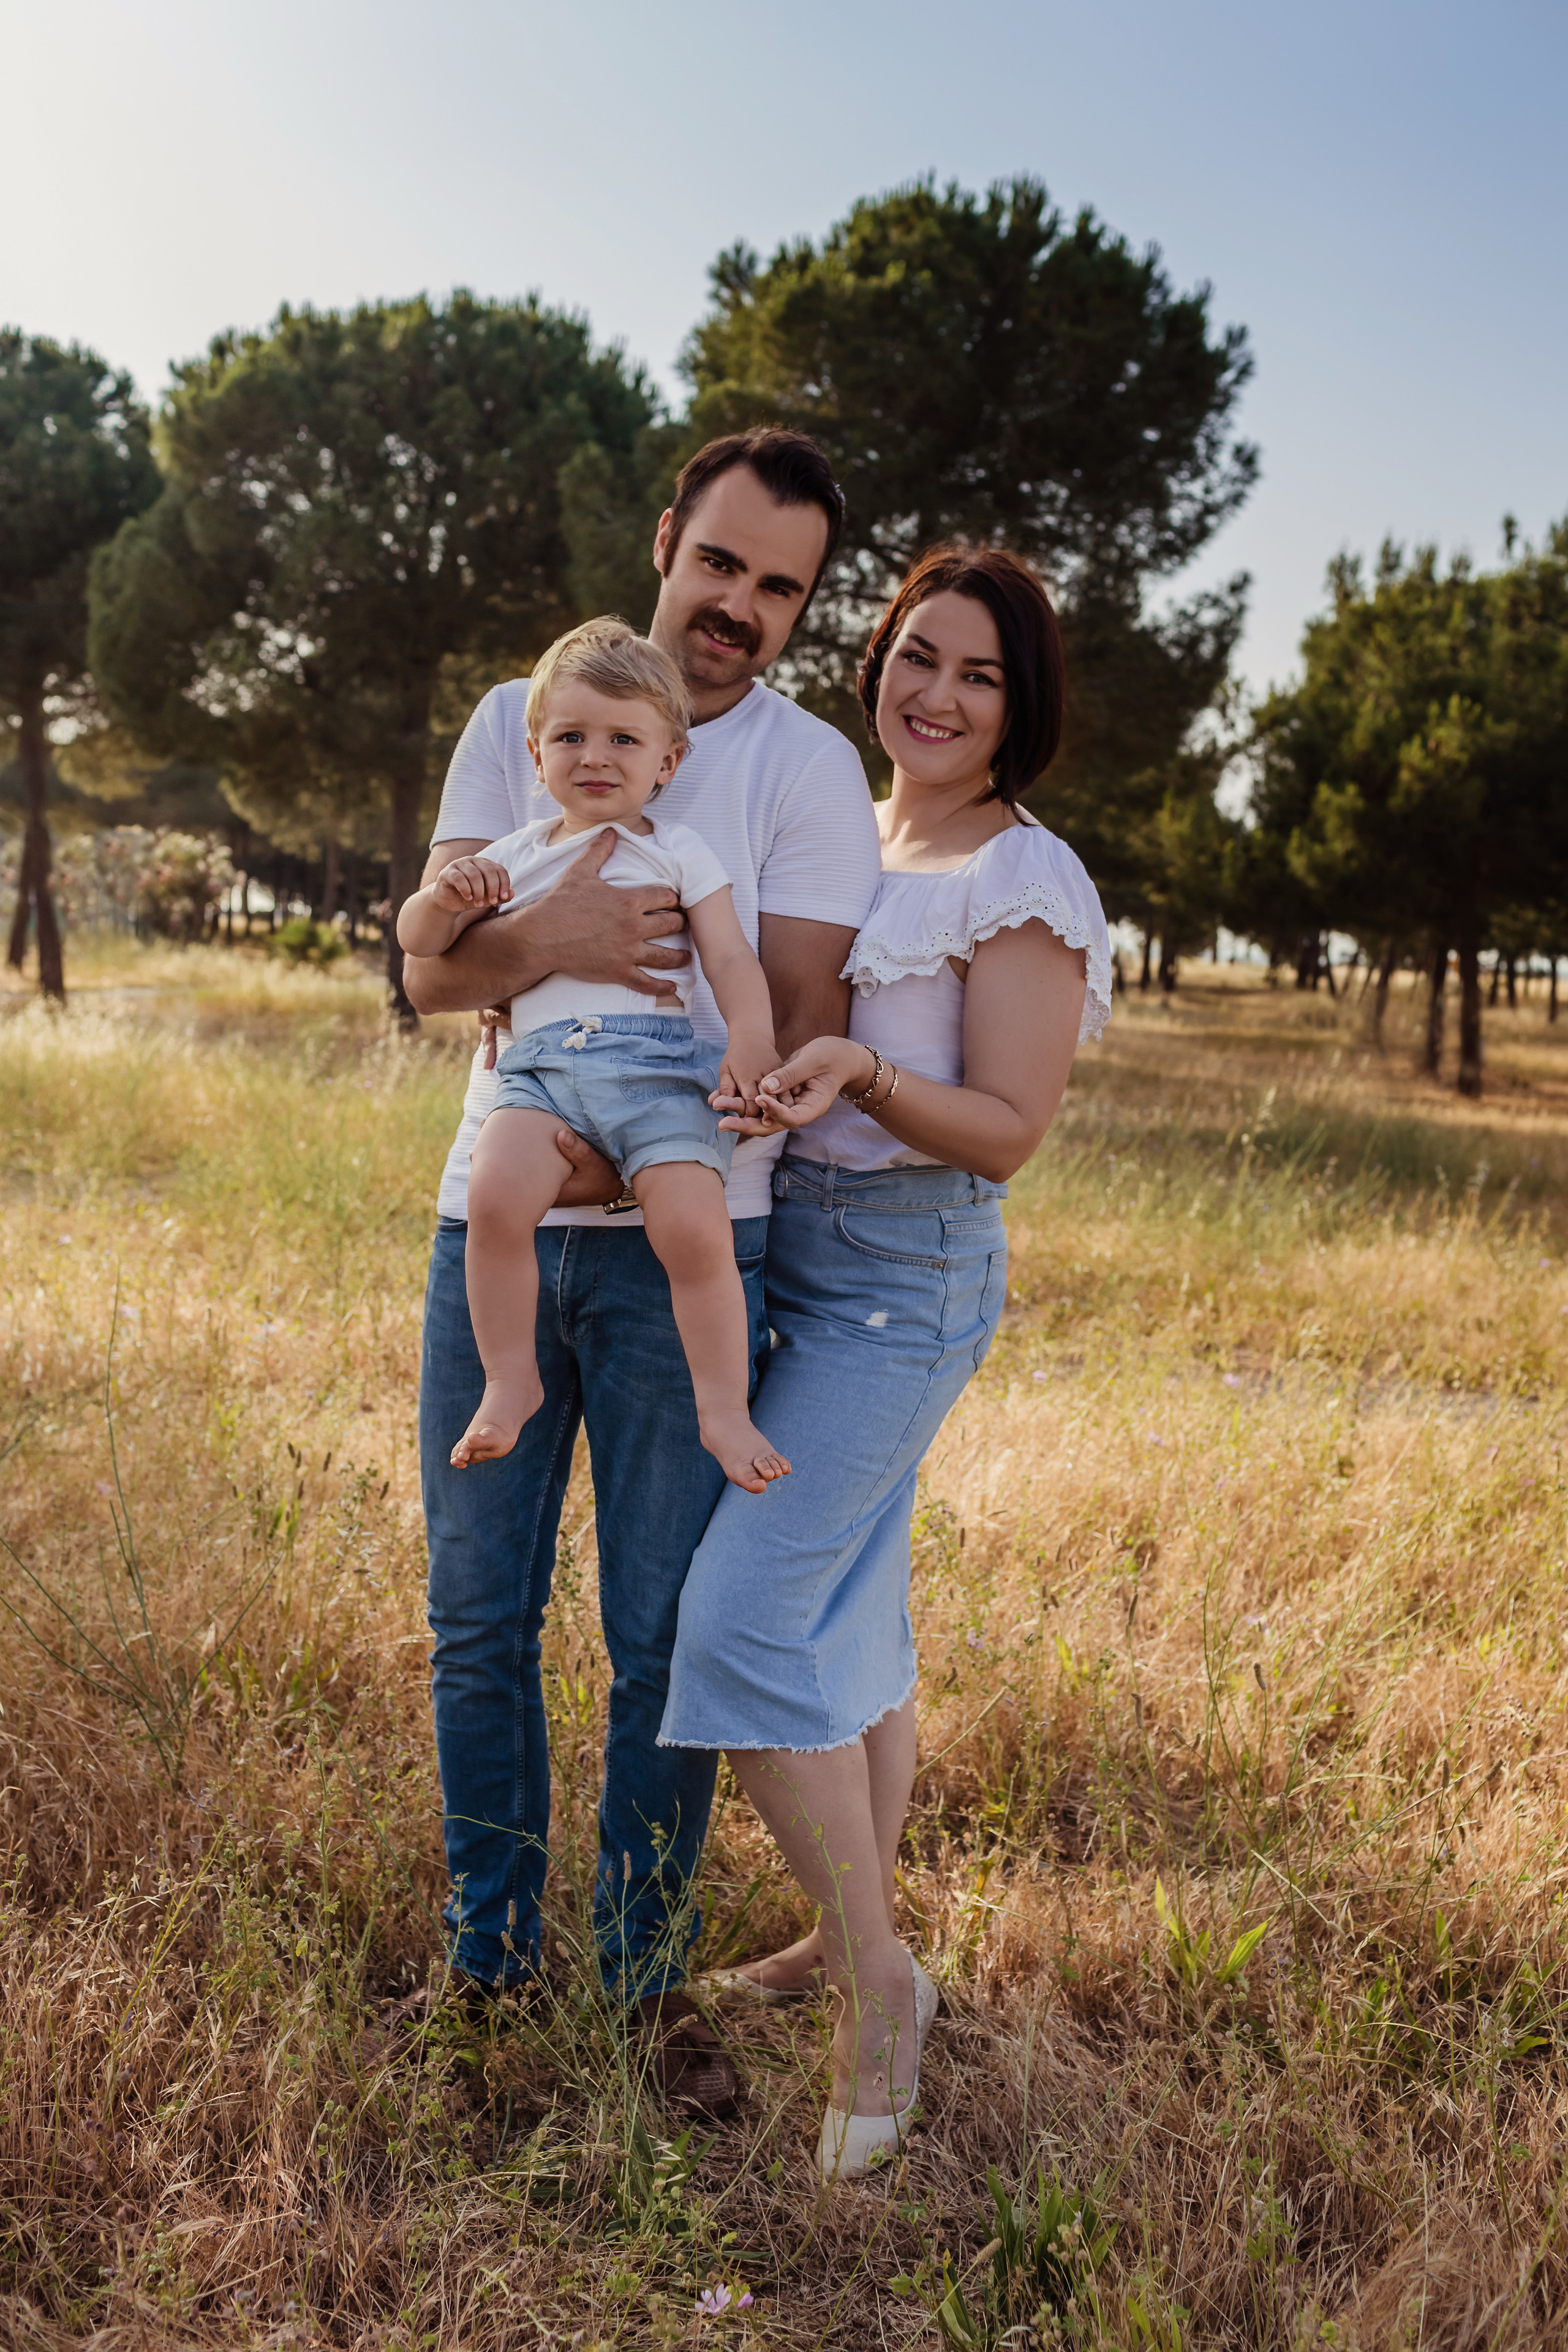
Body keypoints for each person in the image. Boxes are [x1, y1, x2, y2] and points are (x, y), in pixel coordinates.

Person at [402, 429, 881, 2112]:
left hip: (692, 1232)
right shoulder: (519, 712)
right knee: (478, 1615)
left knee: (658, 1634)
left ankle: (639, 1977)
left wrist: (574, 1043)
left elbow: (791, 1009)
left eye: (780, 588)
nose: (740, 604)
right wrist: (564, 943)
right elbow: (432, 968)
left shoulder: (806, 770)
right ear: (669, 540)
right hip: (500, 1220)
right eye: (722, 562)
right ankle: (486, 1963)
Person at [660, 544, 1113, 2178]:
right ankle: (830, 1934)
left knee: (741, 1616)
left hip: (909, 1280)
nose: (935, 693)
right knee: (852, 1614)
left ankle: (876, 1985)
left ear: (1021, 705)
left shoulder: (1024, 875)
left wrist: (858, 1073)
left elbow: (1007, 1131)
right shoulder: (851, 832)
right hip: (791, 1252)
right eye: (918, 655)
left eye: (979, 674)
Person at [397, 619, 790, 1492]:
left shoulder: (679, 852)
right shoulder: (514, 855)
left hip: (656, 1073)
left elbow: (730, 959)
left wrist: (752, 1039)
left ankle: (722, 1409)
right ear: (536, 756)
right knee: (496, 1195)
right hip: (539, 1074)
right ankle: (510, 1380)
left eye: (624, 739)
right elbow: (419, 944)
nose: (595, 757)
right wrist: (444, 899)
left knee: (695, 1226)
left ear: (669, 762)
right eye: (571, 737)